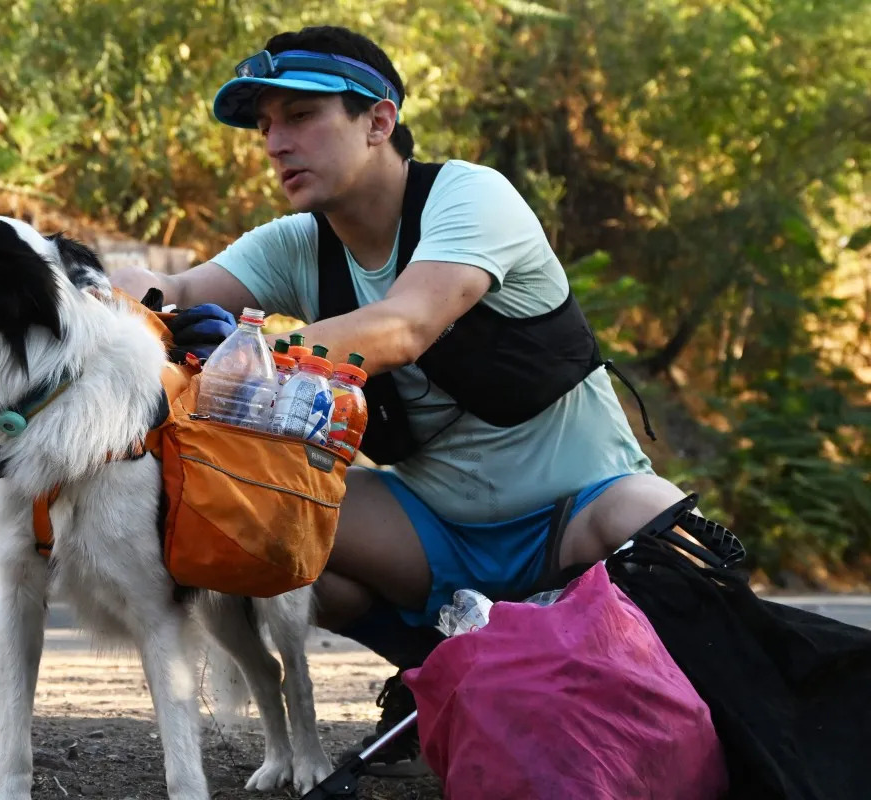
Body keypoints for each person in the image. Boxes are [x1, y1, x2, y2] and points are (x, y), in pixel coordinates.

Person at [112, 25, 701, 775]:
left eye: (299, 116)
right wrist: (114, 291)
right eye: (264, 127)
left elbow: (406, 324)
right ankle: (444, 675)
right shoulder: (298, 244)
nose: (273, 143)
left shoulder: (470, 196)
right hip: (437, 536)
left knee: (657, 524)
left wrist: (252, 362)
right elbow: (181, 292)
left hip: (575, 513)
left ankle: (695, 698)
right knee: (268, 529)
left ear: (379, 121)